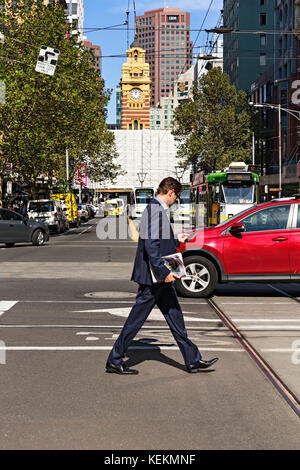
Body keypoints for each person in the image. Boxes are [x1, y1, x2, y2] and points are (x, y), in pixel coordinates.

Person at [106, 177, 218, 375]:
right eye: (176, 197)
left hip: (159, 276)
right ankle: (115, 359)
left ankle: (193, 360)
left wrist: (176, 238)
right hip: (154, 278)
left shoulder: (156, 209)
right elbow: (151, 245)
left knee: (175, 316)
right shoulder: (155, 209)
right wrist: (164, 272)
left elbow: (158, 240)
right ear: (171, 192)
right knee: (136, 318)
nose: (176, 201)